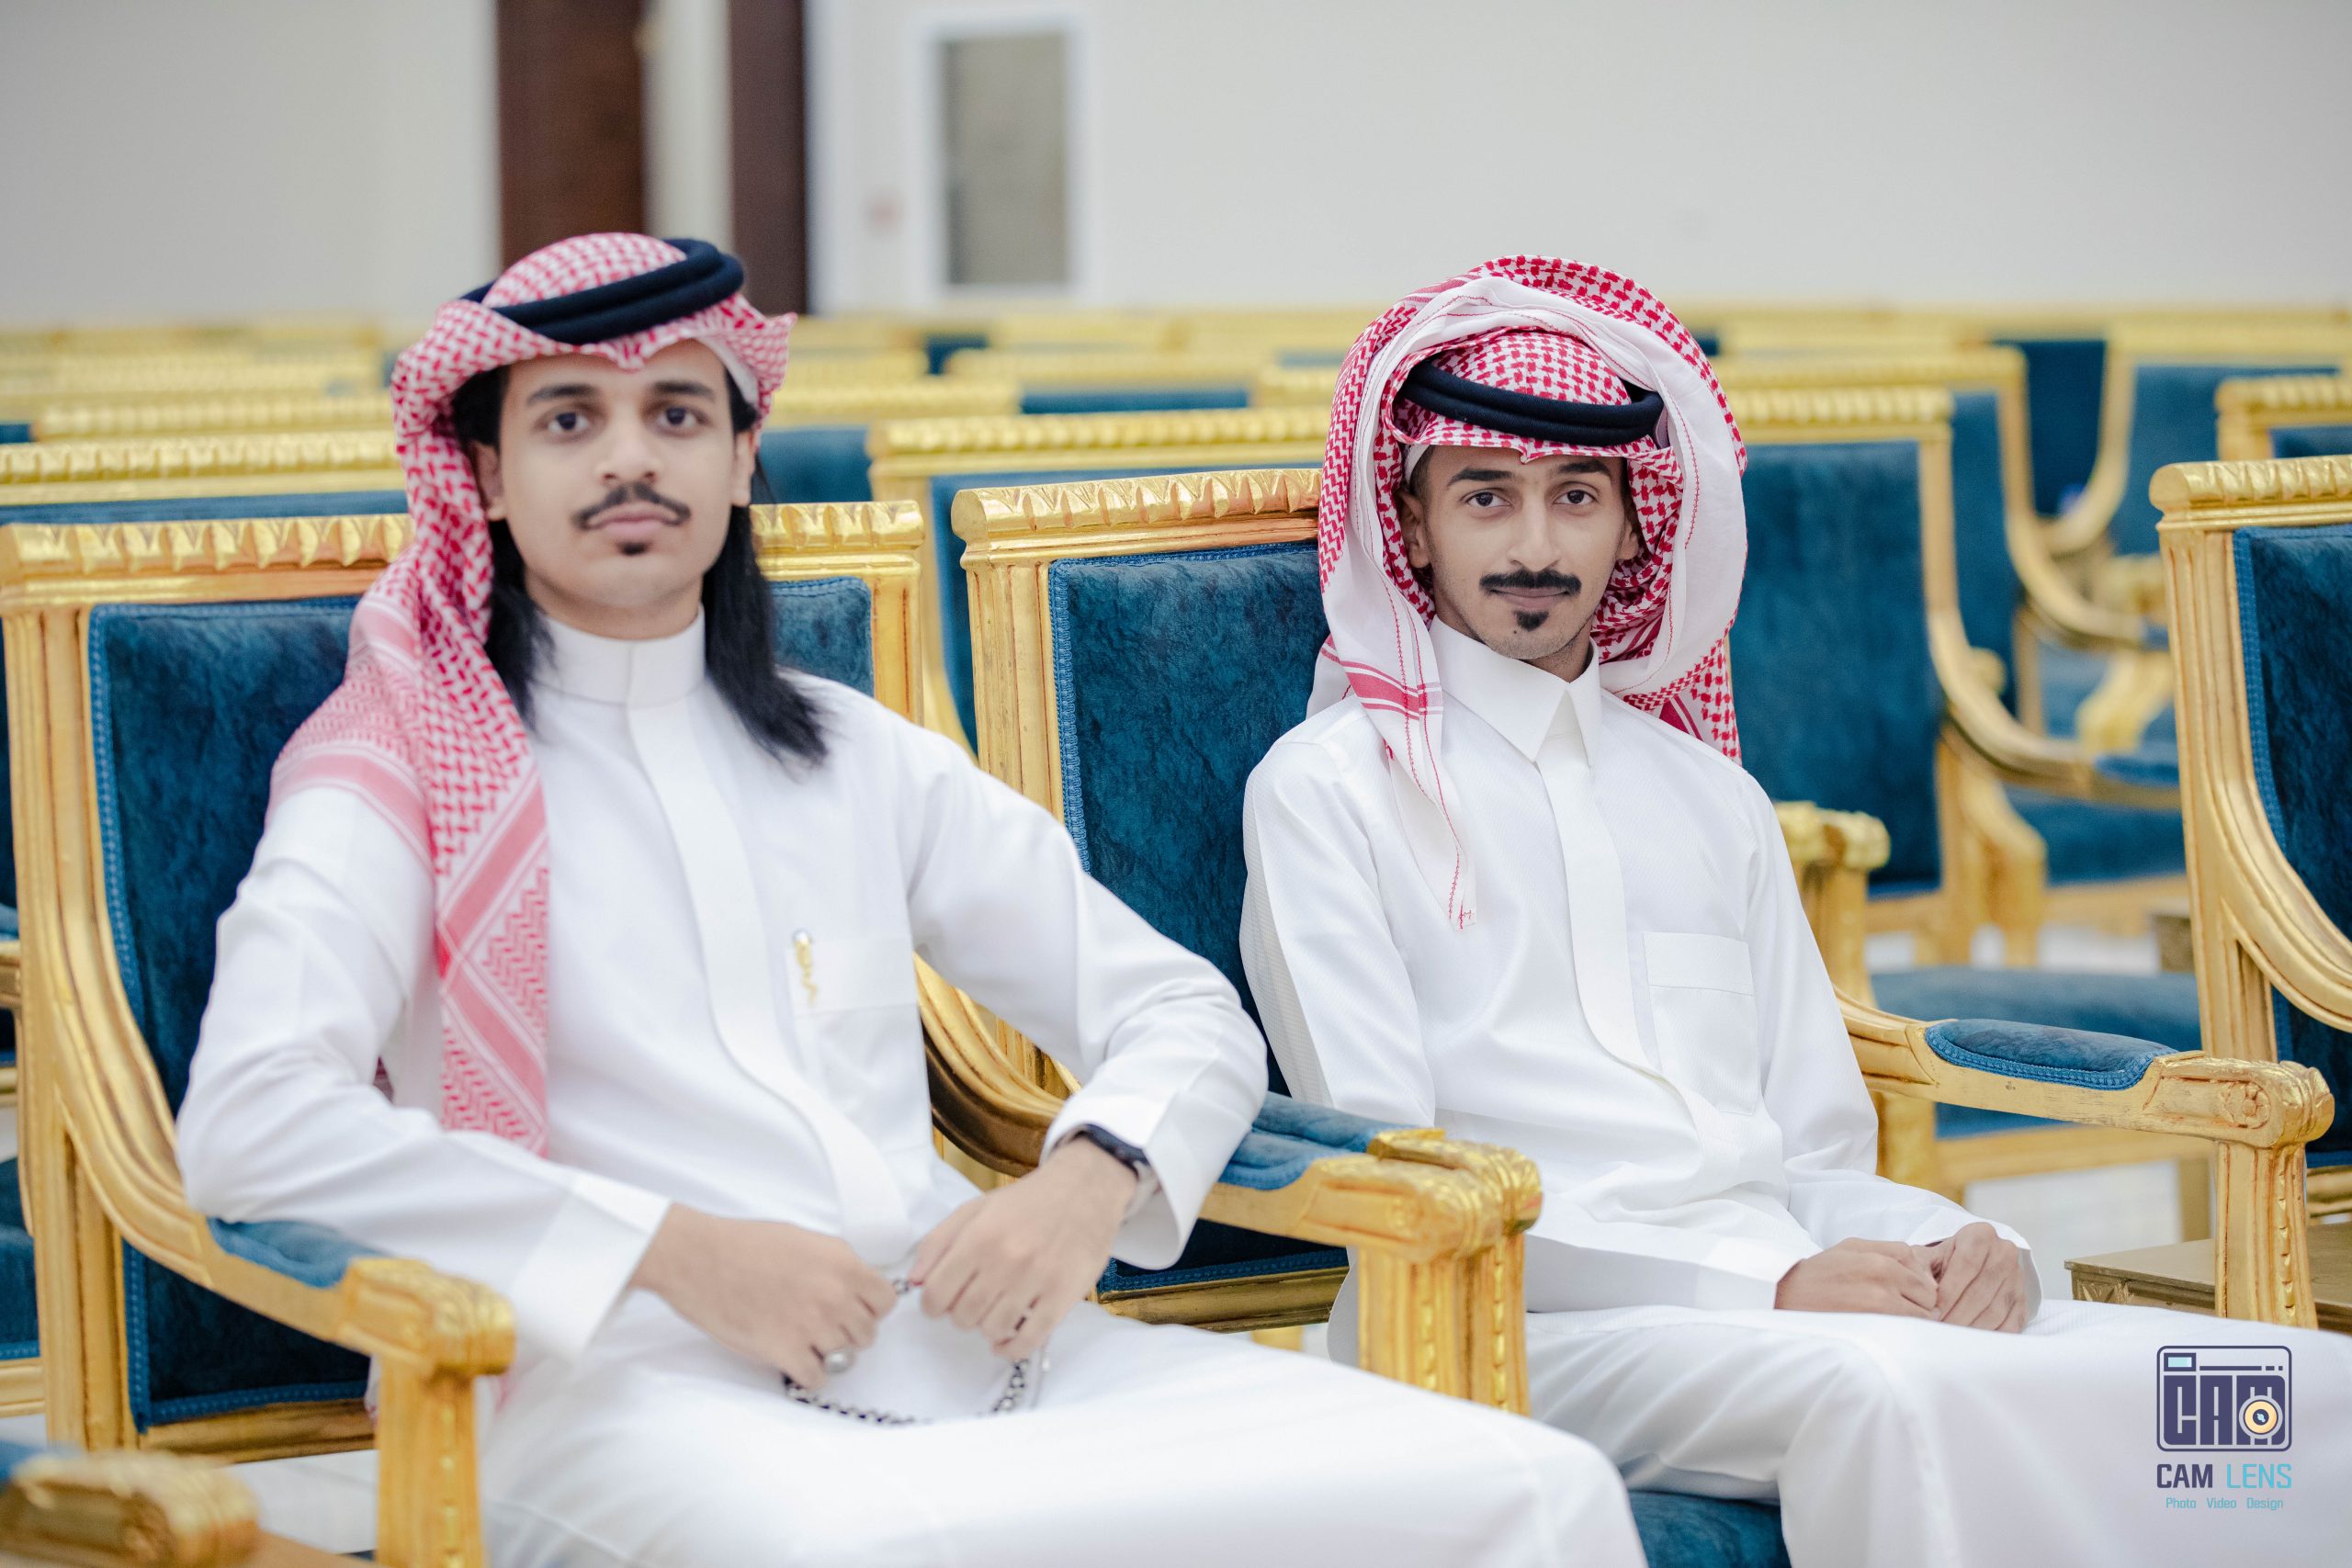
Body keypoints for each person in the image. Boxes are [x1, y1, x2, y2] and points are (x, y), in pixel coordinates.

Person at [174, 235, 1639, 1568]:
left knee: (1525, 1488)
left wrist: (1089, 1182)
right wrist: (671, 1252)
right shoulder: (396, 769)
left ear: (741, 461)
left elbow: (1180, 1010)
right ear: (488, 476)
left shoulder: (851, 752)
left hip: (974, 1347)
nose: (630, 459)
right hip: (618, 1379)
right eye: (571, 420)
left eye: (676, 415)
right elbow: (253, 1119)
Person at [1238, 254, 2352, 1568]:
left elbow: (1816, 1157)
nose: (1534, 546)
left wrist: (1963, 1244)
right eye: (1486, 497)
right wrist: (1770, 1288)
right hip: (1502, 1325)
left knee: (2272, 1398)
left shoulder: (1711, 797)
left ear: (1635, 526)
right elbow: (1404, 1187)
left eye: (1577, 497)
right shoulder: (1328, 794)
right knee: (1886, 1394)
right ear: (1414, 526)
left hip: (1790, 1302)